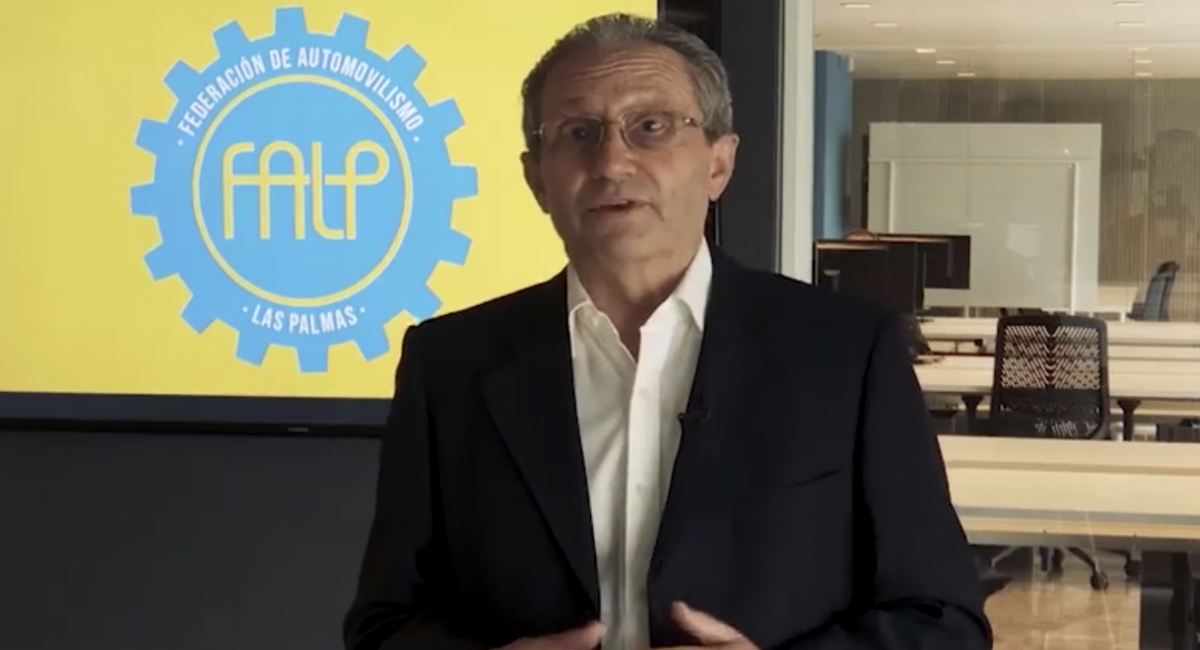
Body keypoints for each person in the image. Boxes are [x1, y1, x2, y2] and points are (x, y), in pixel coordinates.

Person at [343, 12, 992, 650]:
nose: (611, 161)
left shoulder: (847, 353)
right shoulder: (449, 364)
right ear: (536, 179)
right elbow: (384, 624)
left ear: (718, 164)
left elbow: (944, 622)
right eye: (577, 132)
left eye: (650, 126)